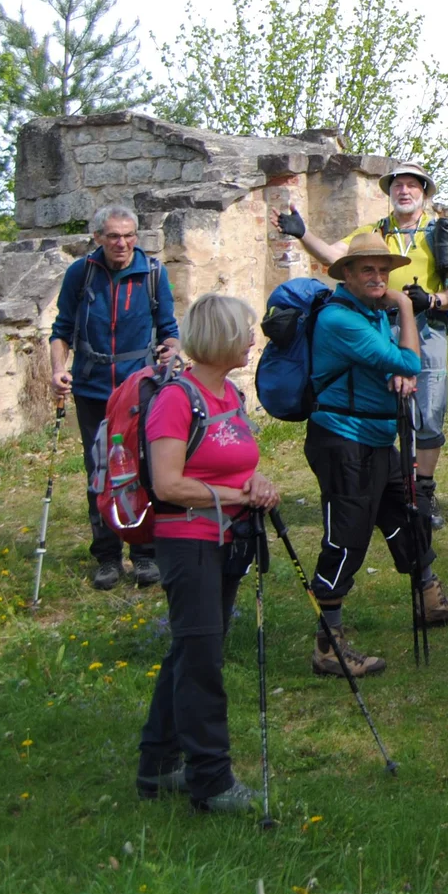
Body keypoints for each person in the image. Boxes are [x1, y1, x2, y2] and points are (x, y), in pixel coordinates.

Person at [299, 230, 448, 678]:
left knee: (410, 514)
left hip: (380, 438)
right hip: (344, 441)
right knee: (347, 538)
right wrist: (405, 308)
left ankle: (430, 600)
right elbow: (406, 362)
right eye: (368, 270)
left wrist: (399, 371)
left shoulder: (370, 312)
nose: (380, 277)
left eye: (384, 270)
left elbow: (398, 367)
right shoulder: (340, 319)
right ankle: (329, 644)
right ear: (347, 274)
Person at [135, 292, 279, 814]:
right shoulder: (176, 398)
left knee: (190, 651)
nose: (252, 339)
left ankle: (157, 763)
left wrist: (255, 482)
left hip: (226, 542)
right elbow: (168, 483)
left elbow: (236, 459)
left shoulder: (231, 395)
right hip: (188, 543)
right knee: (202, 662)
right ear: (219, 337)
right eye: (244, 330)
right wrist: (240, 496)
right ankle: (212, 780)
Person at [275, 163, 448, 528]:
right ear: (389, 193)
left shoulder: (440, 234)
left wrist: (432, 300)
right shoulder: (373, 232)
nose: (405, 191)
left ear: (424, 193)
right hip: (378, 328)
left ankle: (423, 490)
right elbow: (337, 256)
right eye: (398, 186)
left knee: (428, 410)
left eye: (413, 185)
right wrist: (303, 235)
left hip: (425, 329)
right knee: (383, 407)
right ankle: (395, 486)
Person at [48, 204, 181, 591]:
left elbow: (169, 330)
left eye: (128, 236)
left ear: (136, 237)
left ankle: (144, 554)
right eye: (113, 236)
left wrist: (171, 351)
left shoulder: (154, 275)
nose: (121, 243)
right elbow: (62, 329)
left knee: (143, 469)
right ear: (98, 238)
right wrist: (58, 369)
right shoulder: (81, 273)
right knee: (99, 472)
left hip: (139, 388)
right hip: (91, 389)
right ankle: (107, 557)